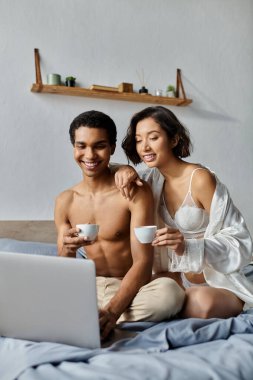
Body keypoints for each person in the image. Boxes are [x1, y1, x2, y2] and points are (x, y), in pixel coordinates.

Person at [54, 110, 185, 340]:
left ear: (113, 147)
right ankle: (90, 314)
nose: (89, 154)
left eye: (99, 146)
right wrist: (67, 249)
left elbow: (144, 262)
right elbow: (66, 269)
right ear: (73, 147)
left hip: (130, 288)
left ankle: (89, 317)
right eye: (81, 146)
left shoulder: (134, 191)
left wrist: (113, 311)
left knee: (170, 294)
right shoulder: (65, 201)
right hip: (88, 287)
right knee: (37, 291)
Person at [114, 105, 253, 318]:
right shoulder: (149, 181)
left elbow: (240, 240)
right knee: (122, 290)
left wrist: (187, 245)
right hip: (172, 279)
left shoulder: (199, 179)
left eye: (153, 137)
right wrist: (125, 169)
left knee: (199, 303)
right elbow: (102, 169)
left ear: (174, 139)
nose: (145, 147)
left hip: (213, 281)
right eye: (139, 140)